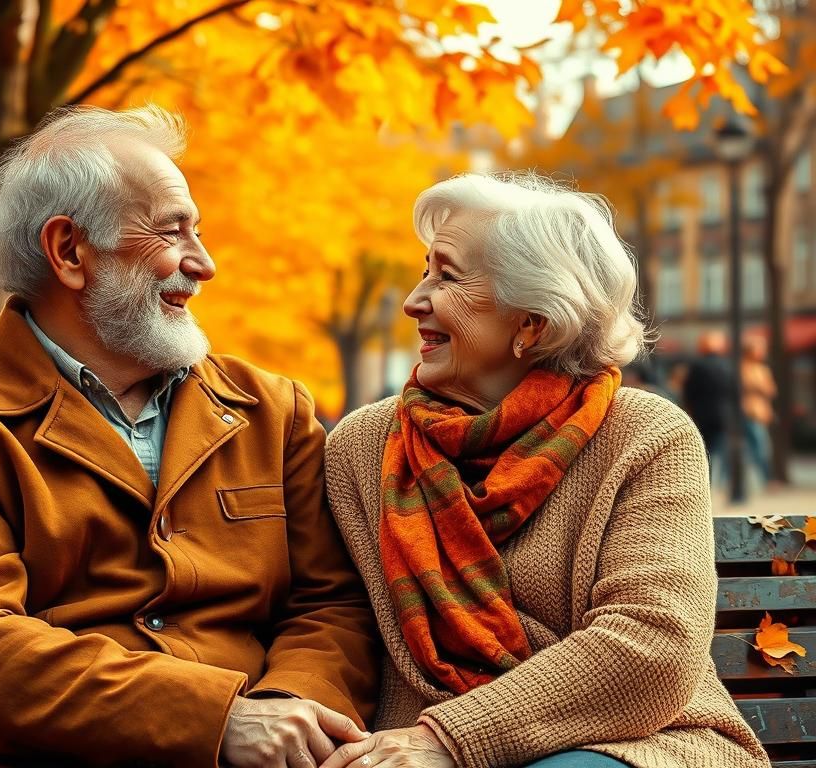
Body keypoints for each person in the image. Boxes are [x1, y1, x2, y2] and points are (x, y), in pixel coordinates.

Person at [0, 105, 378, 768]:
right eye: (173, 232)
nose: (205, 264)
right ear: (69, 251)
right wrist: (216, 723)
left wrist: (283, 715)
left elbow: (331, 607)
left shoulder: (271, 412)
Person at [321, 173, 770, 768]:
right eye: (423, 271)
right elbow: (329, 621)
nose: (414, 300)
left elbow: (652, 647)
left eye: (446, 276)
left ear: (532, 322)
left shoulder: (645, 434)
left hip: (630, 745)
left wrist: (450, 741)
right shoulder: (361, 446)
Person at [682, 331, 734, 484]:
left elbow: (689, 391)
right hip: (723, 416)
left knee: (705, 451)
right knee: (721, 451)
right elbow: (735, 392)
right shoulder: (727, 366)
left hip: (702, 414)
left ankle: (706, 482)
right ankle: (722, 482)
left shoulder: (698, 366)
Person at [741, 335, 776, 487]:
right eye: (759, 350)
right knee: (758, 447)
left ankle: (765, 479)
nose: (763, 352)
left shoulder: (763, 369)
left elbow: (771, 390)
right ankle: (765, 480)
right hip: (747, 412)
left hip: (760, 413)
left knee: (761, 447)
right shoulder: (743, 368)